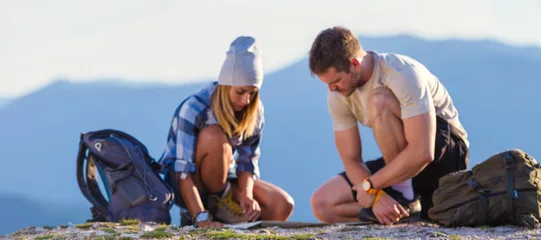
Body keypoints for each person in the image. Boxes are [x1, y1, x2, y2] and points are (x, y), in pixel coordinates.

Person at [308, 26, 469, 226]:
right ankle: (399, 207)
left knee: (379, 100)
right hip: (401, 162)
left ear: (355, 64)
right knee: (323, 204)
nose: (332, 89)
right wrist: (376, 197)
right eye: (327, 84)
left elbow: (422, 152)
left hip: (443, 154)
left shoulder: (400, 72)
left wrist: (371, 185)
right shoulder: (337, 94)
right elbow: (351, 160)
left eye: (336, 81)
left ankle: (405, 197)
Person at [158, 36, 294, 228]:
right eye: (241, 92)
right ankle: (202, 213)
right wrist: (200, 217)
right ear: (226, 86)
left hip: (224, 177)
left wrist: (246, 195)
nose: (246, 100)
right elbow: (183, 172)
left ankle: (227, 212)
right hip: (184, 182)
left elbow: (247, 163)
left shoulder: (255, 111)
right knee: (215, 138)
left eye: (252, 93)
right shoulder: (194, 109)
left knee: (282, 205)